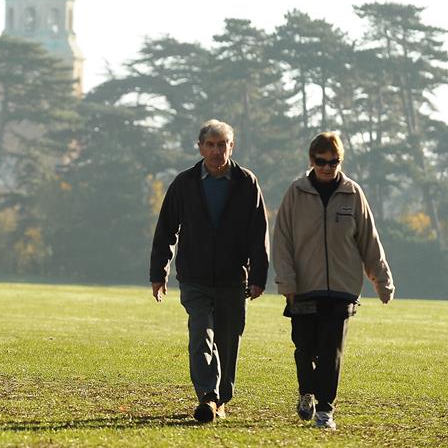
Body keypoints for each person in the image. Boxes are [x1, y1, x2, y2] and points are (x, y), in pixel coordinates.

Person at [273, 132, 394, 430]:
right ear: (311, 160)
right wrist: (286, 282)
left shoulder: (354, 194)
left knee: (331, 352)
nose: (328, 167)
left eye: (334, 161)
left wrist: (382, 281)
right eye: (321, 161)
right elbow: (282, 241)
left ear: (341, 160)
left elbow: (369, 240)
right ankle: (306, 392)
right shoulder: (296, 192)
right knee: (304, 349)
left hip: (342, 290)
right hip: (303, 288)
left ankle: (325, 410)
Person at [150, 119, 269, 423]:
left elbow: (259, 233)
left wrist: (258, 277)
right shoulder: (185, 183)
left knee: (228, 340)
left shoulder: (246, 182)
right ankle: (208, 395)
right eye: (211, 145)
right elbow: (166, 229)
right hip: (195, 278)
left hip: (233, 279)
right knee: (201, 335)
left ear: (232, 146)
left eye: (223, 144)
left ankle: (221, 398)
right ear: (200, 147)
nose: (217, 150)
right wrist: (158, 273)